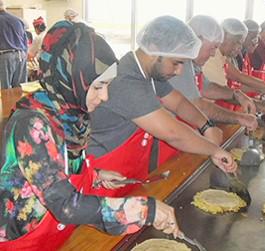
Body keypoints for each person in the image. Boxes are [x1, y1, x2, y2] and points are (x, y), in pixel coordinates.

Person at [0, 21, 182, 250]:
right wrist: (146, 209)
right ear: (71, 79)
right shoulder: (32, 124)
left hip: (53, 237)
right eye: (98, 86)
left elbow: (51, 170)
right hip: (22, 239)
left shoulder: (71, 113)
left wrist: (94, 175)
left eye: (107, 85)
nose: (104, 96)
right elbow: (65, 205)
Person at [88, 16, 237, 197]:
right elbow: (172, 133)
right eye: (176, 63)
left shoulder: (147, 72)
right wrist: (214, 150)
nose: (179, 71)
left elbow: (179, 102)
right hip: (103, 177)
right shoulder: (127, 81)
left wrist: (206, 126)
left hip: (127, 173)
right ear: (154, 52)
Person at [166, 15, 259, 165]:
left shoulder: (191, 64)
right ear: (197, 40)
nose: (214, 53)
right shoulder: (178, 64)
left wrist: (237, 95)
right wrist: (238, 118)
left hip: (185, 136)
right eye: (213, 47)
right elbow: (198, 104)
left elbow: (207, 88)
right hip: (169, 140)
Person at [203, 18, 265, 104]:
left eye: (241, 43)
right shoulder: (213, 57)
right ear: (223, 36)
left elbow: (238, 76)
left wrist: (263, 88)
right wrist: (255, 103)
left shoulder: (223, 56)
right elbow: (222, 92)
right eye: (236, 42)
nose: (239, 47)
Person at [0, 0, 27, 89]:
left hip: (5, 56)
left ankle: (7, 103)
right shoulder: (18, 20)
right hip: (21, 56)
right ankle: (19, 103)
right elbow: (25, 40)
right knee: (20, 88)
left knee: (5, 89)